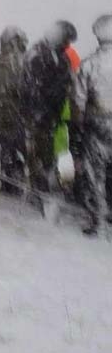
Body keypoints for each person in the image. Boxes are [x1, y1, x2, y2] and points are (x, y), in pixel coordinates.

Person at [20, 20, 76, 196]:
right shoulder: (36, 55)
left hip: (51, 114)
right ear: (57, 37)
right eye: (66, 40)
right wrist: (39, 113)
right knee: (37, 153)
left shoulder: (61, 56)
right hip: (37, 114)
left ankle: (44, 186)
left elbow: (66, 81)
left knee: (47, 152)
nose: (67, 45)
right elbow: (30, 89)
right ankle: (39, 191)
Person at [71, 14, 112, 235]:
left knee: (96, 174)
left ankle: (98, 222)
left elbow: (78, 102)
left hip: (97, 127)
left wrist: (78, 129)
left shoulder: (88, 65)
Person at [0, 26, 28, 195]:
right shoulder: (24, 60)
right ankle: (15, 184)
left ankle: (7, 184)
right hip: (18, 116)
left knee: (6, 150)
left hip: (1, 116)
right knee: (18, 150)